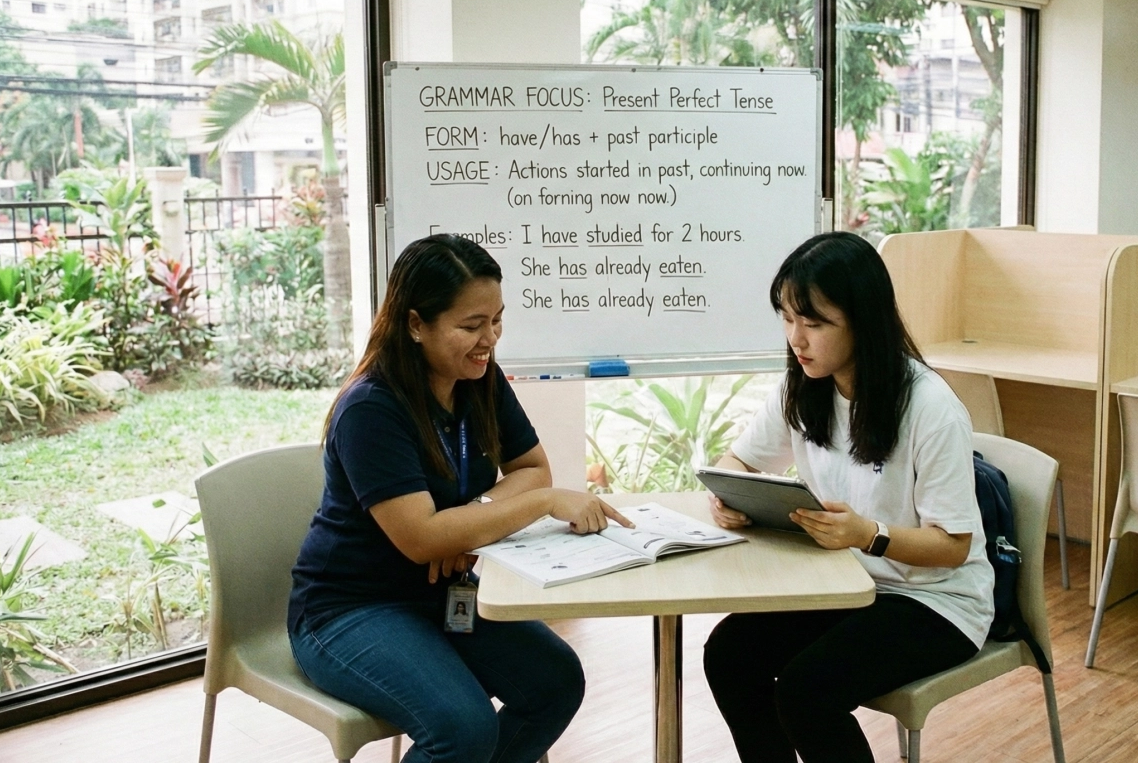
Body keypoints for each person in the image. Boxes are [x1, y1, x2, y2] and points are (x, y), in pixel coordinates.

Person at [288, 233, 632, 763]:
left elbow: (531, 468)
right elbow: (422, 538)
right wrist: (538, 504)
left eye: (496, 320)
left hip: (442, 593)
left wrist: (473, 518)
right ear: (415, 324)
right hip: (350, 609)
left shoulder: (479, 378)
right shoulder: (371, 410)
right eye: (471, 325)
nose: (488, 339)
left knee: (555, 683)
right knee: (464, 730)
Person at [703, 231, 992, 763]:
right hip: (847, 585)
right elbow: (737, 461)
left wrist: (870, 536)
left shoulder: (929, 408)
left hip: (937, 602)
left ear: (864, 321)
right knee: (728, 655)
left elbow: (952, 546)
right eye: (788, 318)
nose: (797, 338)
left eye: (814, 323)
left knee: (806, 691)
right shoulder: (804, 386)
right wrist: (728, 494)